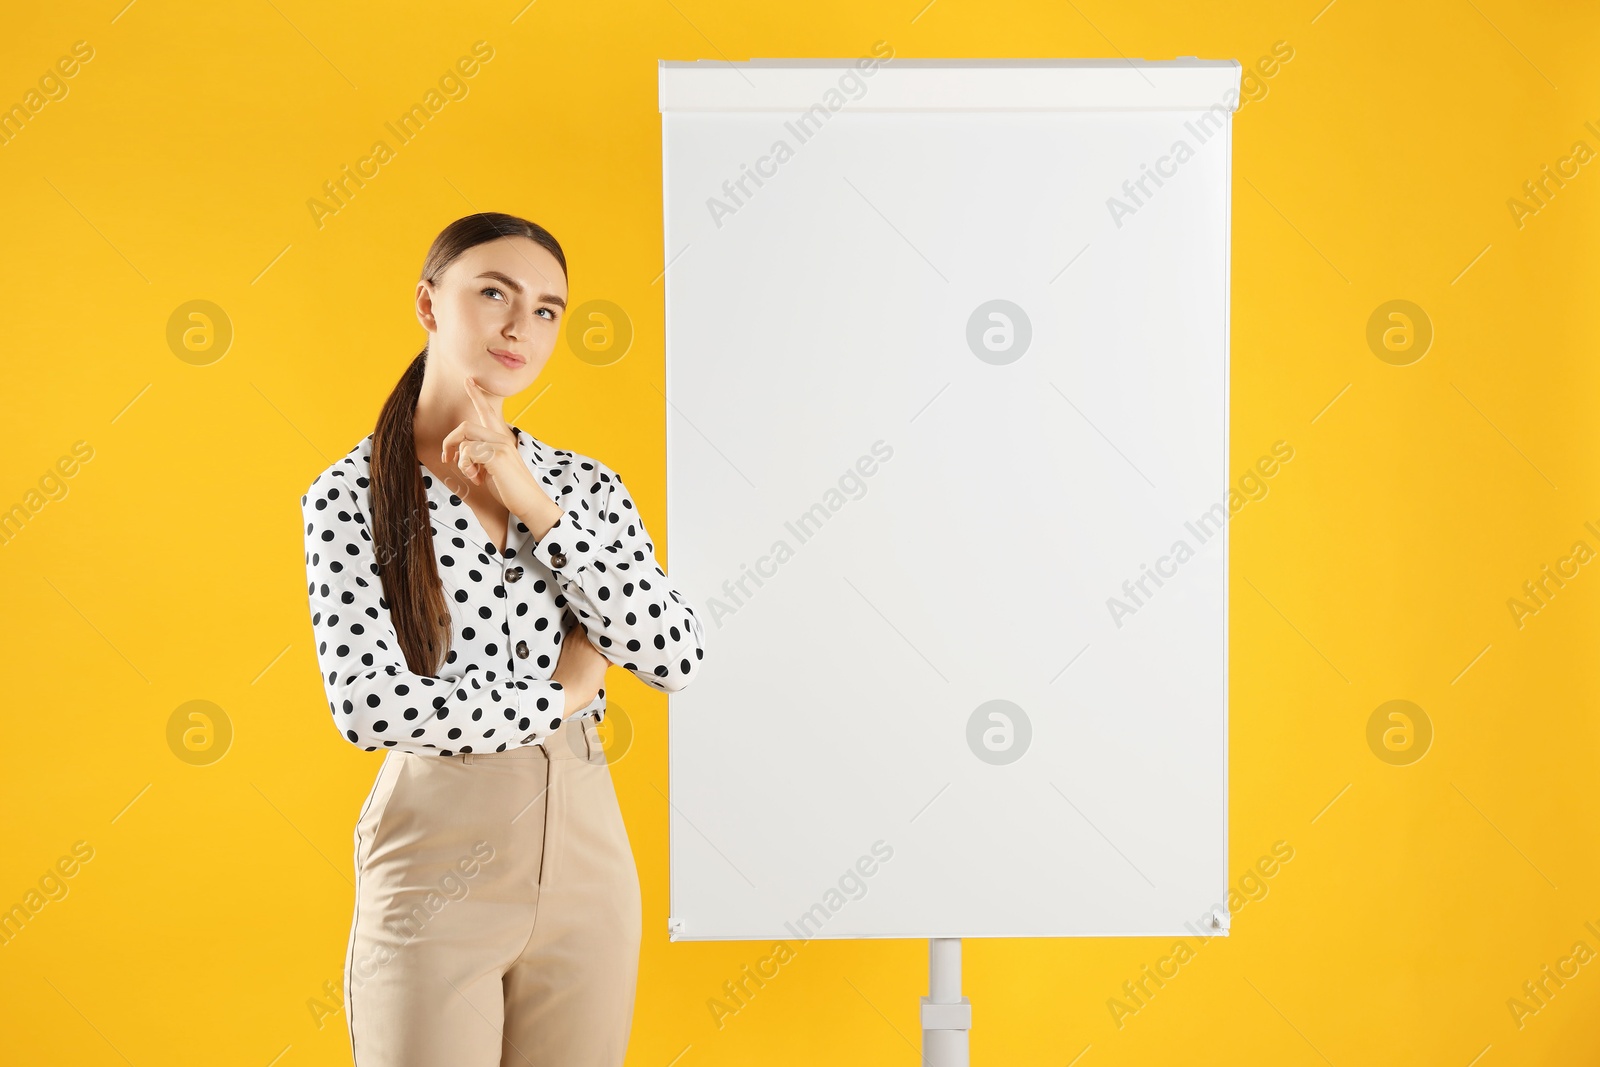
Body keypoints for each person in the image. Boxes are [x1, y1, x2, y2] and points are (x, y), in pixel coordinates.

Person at [298, 211, 705, 1066]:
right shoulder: (348, 497)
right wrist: (560, 695)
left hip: (589, 856)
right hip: (434, 852)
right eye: (494, 293)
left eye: (549, 309)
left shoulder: (582, 486)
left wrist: (534, 502)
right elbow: (372, 705)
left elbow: (674, 652)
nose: (522, 326)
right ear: (428, 303)